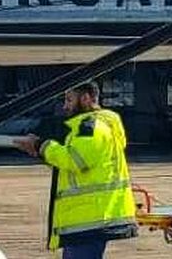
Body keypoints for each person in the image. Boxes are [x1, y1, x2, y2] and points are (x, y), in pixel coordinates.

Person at [15, 82, 137, 259]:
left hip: (88, 220)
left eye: (69, 100)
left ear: (86, 98)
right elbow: (77, 165)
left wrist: (42, 146)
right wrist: (41, 150)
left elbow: (74, 160)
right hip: (88, 218)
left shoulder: (91, 128)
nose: (65, 106)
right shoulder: (96, 126)